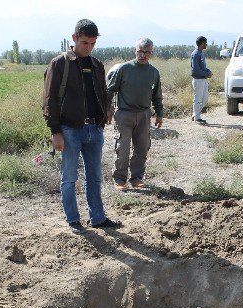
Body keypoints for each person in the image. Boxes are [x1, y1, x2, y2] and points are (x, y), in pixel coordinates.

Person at [42, 19, 122, 234]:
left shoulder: (96, 64)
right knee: (69, 178)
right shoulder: (59, 64)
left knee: (94, 177)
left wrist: (107, 109)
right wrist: (55, 131)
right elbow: (49, 100)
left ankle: (97, 218)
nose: (88, 48)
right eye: (85, 43)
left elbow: (103, 92)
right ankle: (73, 220)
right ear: (75, 38)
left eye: (92, 44)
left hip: (94, 130)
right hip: (69, 131)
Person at [107, 37, 164, 190]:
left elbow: (157, 96)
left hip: (144, 115)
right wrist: (108, 109)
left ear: (151, 53)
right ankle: (119, 180)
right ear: (135, 51)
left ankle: (137, 178)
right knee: (122, 148)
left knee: (142, 148)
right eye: (140, 51)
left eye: (146, 52)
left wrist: (159, 113)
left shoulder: (154, 72)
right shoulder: (124, 69)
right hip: (124, 114)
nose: (143, 55)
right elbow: (110, 90)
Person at [191, 36, 212, 124]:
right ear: (202, 43)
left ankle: (195, 115)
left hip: (203, 79)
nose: (206, 44)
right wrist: (207, 74)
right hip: (198, 80)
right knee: (198, 99)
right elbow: (195, 70)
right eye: (205, 43)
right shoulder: (196, 54)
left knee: (204, 99)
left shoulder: (201, 53)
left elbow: (202, 67)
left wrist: (208, 71)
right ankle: (197, 117)